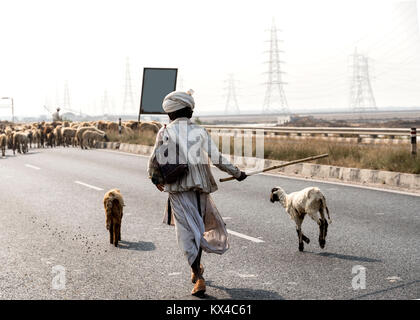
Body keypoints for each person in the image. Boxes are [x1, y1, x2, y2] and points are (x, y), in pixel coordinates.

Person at [148, 89, 247, 297]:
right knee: (197, 229)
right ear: (184, 111)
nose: (192, 113)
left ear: (170, 114)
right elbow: (217, 158)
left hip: (178, 189)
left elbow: (153, 161)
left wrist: (156, 179)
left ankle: (198, 275)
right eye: (189, 109)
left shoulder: (164, 131)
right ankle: (197, 270)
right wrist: (237, 173)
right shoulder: (199, 132)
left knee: (187, 233)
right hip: (200, 188)